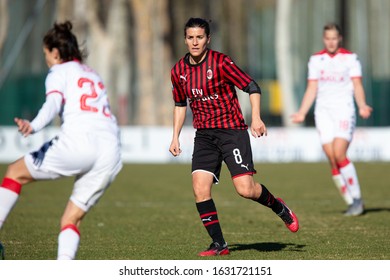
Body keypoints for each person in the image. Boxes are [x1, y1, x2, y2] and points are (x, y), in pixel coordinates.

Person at [169, 17, 299, 257]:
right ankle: (219, 244)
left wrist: (257, 118)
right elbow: (180, 105)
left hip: (232, 132)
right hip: (204, 136)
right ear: (185, 39)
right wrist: (175, 137)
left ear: (208, 39)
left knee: (245, 189)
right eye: (190, 37)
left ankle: (279, 207)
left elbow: (252, 86)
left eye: (199, 37)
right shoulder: (178, 71)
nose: (195, 42)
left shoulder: (221, 62)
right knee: (199, 189)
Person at [0, 21, 122, 259]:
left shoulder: (58, 71)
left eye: (46, 54)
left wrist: (33, 125)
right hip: (111, 150)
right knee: (70, 219)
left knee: (14, 172)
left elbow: (53, 104)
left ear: (55, 53)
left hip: (78, 143)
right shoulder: (92, 73)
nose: (46, 59)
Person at [291, 23, 372, 216]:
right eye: (328, 38)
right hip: (323, 113)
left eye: (334, 38)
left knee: (339, 153)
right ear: (323, 39)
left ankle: (357, 200)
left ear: (340, 38)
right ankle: (351, 200)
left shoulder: (350, 58)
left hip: (344, 111)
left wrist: (361, 105)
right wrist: (302, 112)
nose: (331, 42)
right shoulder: (316, 60)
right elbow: (312, 88)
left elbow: (357, 84)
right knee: (332, 158)